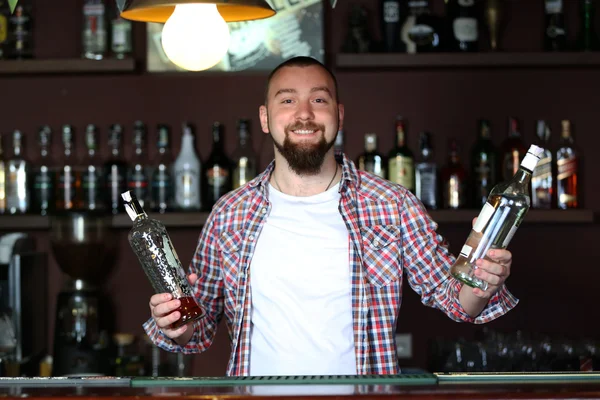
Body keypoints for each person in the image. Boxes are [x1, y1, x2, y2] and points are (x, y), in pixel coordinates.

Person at [144, 56, 517, 376]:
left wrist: (484, 280)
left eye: (318, 100)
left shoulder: (392, 204)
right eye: (287, 100)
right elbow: (199, 324)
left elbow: (454, 298)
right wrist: (176, 324)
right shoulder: (230, 213)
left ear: (338, 114)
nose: (304, 114)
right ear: (265, 117)